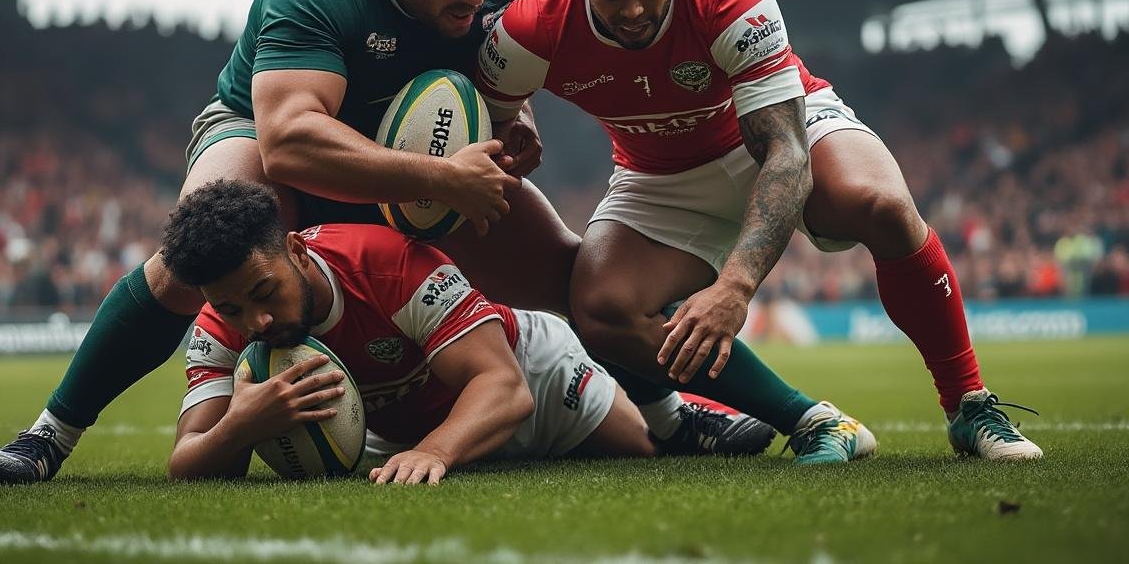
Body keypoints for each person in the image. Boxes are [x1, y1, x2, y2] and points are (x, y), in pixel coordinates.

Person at [0, 0, 735, 484]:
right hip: (277, 130)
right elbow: (289, 140)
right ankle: (49, 437)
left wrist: (512, 114)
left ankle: (670, 417)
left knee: (575, 278)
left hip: (421, 148)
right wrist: (440, 177)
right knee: (186, 261)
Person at [476, 0, 1042, 460]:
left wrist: (736, 286)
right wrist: (519, 124)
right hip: (659, 177)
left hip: (779, 134)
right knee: (600, 310)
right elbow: (489, 113)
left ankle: (970, 407)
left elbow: (787, 154)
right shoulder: (530, 27)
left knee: (882, 206)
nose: (633, 9)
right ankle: (817, 423)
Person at [161, 181, 789, 484]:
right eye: (234, 309)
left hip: (530, 374)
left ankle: (682, 414)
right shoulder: (222, 318)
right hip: (399, 432)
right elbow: (185, 462)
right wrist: (243, 423)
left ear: (297, 249)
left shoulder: (388, 264)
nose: (257, 323)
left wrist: (436, 452)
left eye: (264, 294)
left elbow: (504, 387)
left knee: (650, 455)